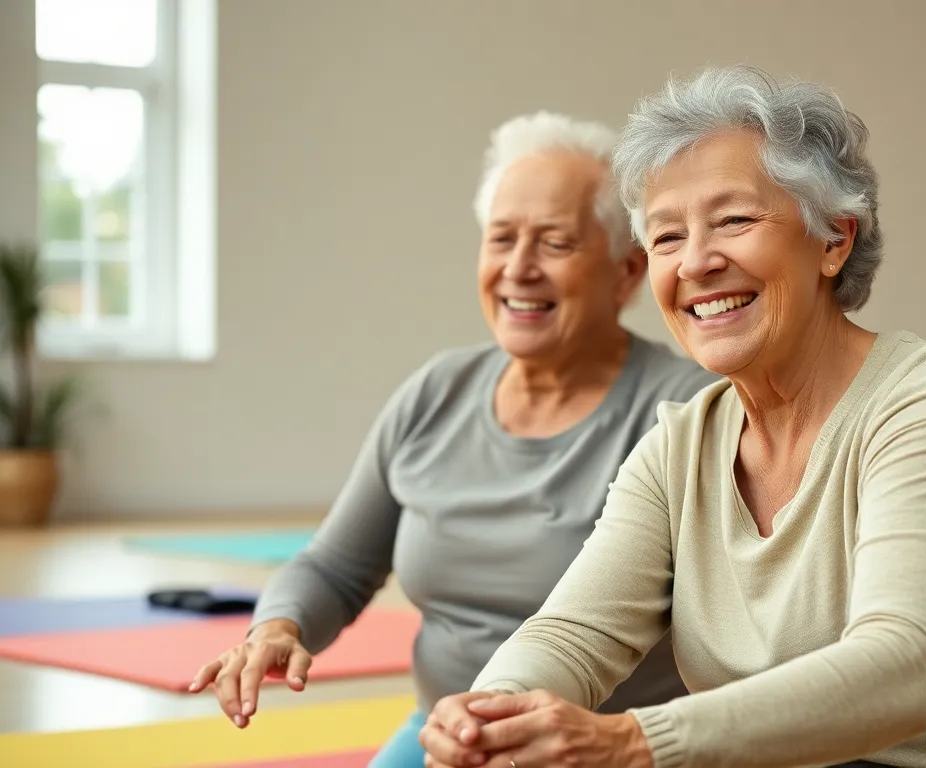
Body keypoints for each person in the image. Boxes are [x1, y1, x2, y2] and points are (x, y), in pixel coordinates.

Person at [418, 66, 926, 768]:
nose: (698, 262)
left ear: (834, 240)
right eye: (668, 238)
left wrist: (635, 740)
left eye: (734, 220)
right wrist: (488, 716)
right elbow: (572, 635)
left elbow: (904, 667)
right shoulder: (676, 449)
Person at [187, 110, 720, 767]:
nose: (518, 268)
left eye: (554, 243)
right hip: (443, 736)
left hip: (604, 750)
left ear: (626, 272)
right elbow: (336, 565)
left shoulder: (686, 409)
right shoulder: (436, 391)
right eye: (501, 239)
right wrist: (277, 626)